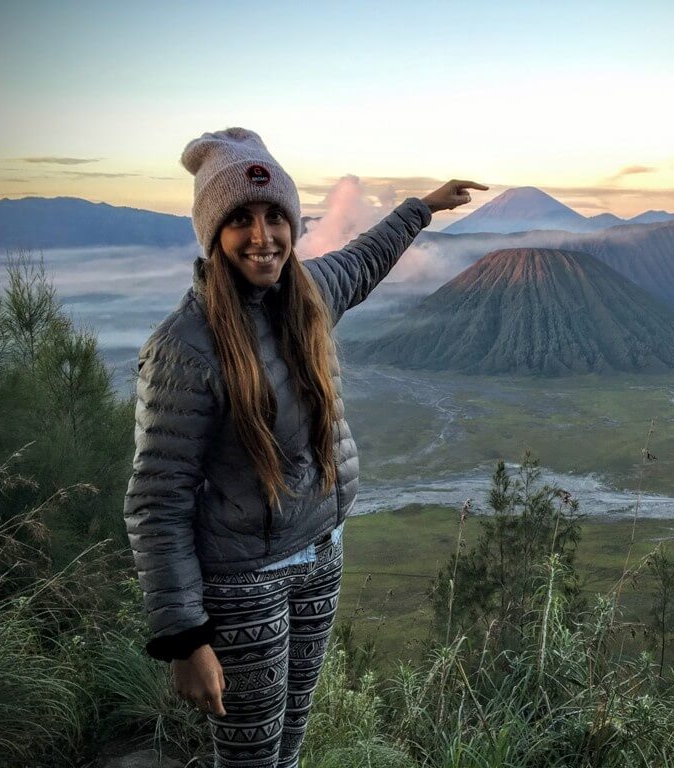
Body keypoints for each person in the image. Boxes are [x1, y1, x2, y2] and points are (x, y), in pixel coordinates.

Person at [123, 126, 486, 767]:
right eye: (240, 219)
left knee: (288, 745)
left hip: (321, 555)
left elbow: (368, 256)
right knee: (250, 757)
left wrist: (423, 208)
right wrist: (185, 640)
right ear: (213, 234)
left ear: (294, 224)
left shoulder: (310, 296)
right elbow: (157, 501)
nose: (262, 236)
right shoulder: (184, 345)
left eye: (275, 217)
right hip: (244, 583)